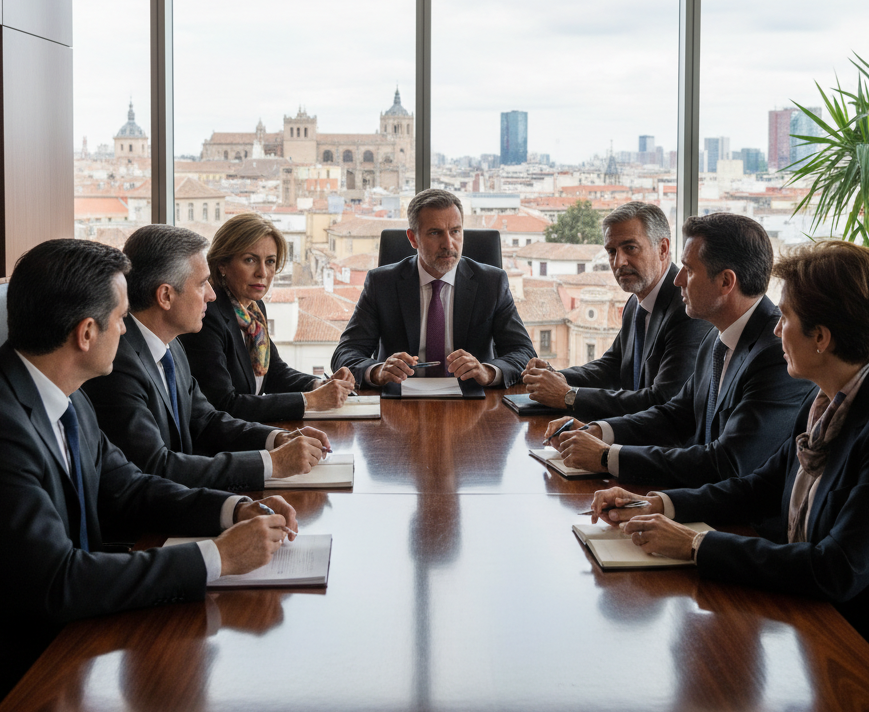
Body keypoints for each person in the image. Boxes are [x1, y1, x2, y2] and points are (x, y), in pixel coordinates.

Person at [0, 239, 299, 702]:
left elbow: (128, 489)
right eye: (120, 319)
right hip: (4, 675)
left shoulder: (65, 392)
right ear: (85, 334)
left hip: (66, 638)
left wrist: (233, 510)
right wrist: (218, 558)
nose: (127, 330)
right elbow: (59, 581)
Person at [589, 240, 869, 656]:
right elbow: (760, 486)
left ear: (821, 338)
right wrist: (658, 504)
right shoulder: (827, 398)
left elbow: (837, 568)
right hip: (809, 613)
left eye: (786, 317)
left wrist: (693, 545)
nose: (776, 329)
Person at [546, 213, 812, 487]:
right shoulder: (716, 338)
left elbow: (728, 462)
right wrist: (599, 431)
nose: (678, 279)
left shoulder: (775, 354)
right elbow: (674, 415)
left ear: (726, 282)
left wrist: (607, 457)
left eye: (690, 270)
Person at [83, 224, 330, 491]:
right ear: (166, 295)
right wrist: (270, 463)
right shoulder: (116, 367)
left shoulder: (171, 346)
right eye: (203, 284)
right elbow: (156, 467)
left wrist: (278, 438)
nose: (212, 295)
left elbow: (206, 419)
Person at [331, 188, 535, 387]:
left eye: (455, 231)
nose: (449, 244)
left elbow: (524, 352)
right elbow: (346, 353)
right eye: (435, 233)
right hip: (399, 402)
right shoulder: (382, 283)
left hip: (472, 401)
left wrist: (488, 371)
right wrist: (377, 371)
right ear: (413, 238)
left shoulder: (492, 283)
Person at [521, 201, 706, 418]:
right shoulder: (636, 303)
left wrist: (568, 395)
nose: (619, 262)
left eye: (630, 248)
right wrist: (553, 377)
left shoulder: (687, 309)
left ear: (663, 249)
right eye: (611, 251)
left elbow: (662, 400)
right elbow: (612, 366)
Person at [179, 213, 355, 423]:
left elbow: (274, 372)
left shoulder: (253, 309)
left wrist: (318, 386)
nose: (262, 272)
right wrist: (309, 401)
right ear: (222, 265)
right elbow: (224, 405)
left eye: (270, 261)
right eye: (250, 260)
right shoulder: (207, 316)